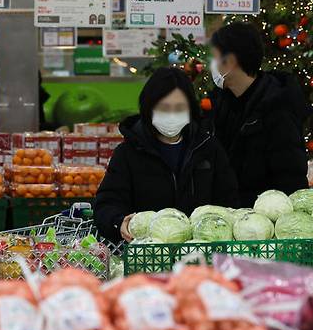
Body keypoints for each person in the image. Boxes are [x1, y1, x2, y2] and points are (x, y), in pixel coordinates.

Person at [94, 67, 239, 243]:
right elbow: (106, 204)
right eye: (164, 107)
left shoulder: (208, 149)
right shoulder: (127, 153)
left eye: (179, 108)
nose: (172, 114)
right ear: (149, 108)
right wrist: (118, 222)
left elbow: (229, 200)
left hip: (200, 256)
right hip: (147, 257)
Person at [209, 22, 310, 206]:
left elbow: (291, 179)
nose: (212, 65)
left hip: (264, 218)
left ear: (231, 61)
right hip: (228, 216)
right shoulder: (221, 103)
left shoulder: (277, 108)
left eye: (215, 58)